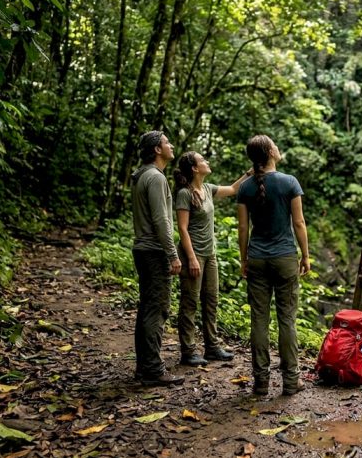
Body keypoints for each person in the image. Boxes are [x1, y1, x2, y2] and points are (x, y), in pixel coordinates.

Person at [237, 135, 310, 397]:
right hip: (285, 258)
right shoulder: (289, 182)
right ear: (269, 152)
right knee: (286, 320)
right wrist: (306, 255)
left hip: (257, 258)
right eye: (275, 145)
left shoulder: (245, 187)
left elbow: (243, 228)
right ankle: (291, 381)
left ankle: (261, 382)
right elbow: (299, 223)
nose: (279, 148)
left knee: (259, 319)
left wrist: (244, 259)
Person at [173, 151, 251, 366]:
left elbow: (234, 189)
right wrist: (191, 258)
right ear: (195, 169)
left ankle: (212, 347)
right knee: (190, 302)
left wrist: (249, 172)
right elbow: (182, 228)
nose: (207, 162)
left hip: (210, 253)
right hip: (194, 254)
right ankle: (188, 351)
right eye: (202, 161)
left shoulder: (207, 188)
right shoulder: (184, 194)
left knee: (211, 300)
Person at [131, 130, 184, 386]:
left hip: (143, 249)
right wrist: (172, 254)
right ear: (156, 149)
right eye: (166, 143)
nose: (170, 145)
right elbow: (161, 220)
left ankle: (145, 367)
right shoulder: (155, 177)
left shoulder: (142, 174)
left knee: (147, 308)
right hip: (153, 251)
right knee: (157, 309)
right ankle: (152, 370)